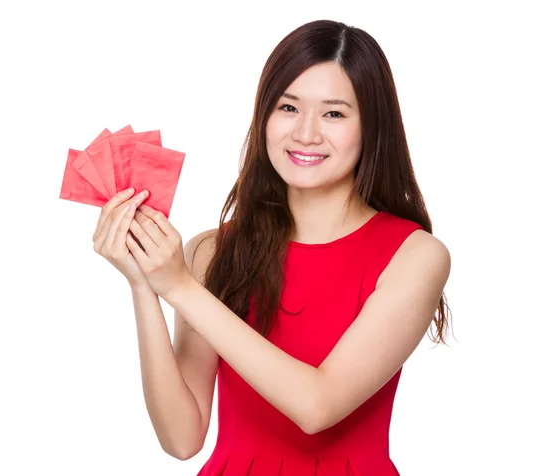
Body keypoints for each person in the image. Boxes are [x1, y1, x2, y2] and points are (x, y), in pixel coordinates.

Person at [91, 19, 452, 476]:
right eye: (288, 107)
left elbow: (317, 406)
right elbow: (182, 439)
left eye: (334, 113)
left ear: (371, 127)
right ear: (264, 115)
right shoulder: (210, 252)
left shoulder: (415, 256)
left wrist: (180, 288)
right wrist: (145, 285)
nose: (305, 133)